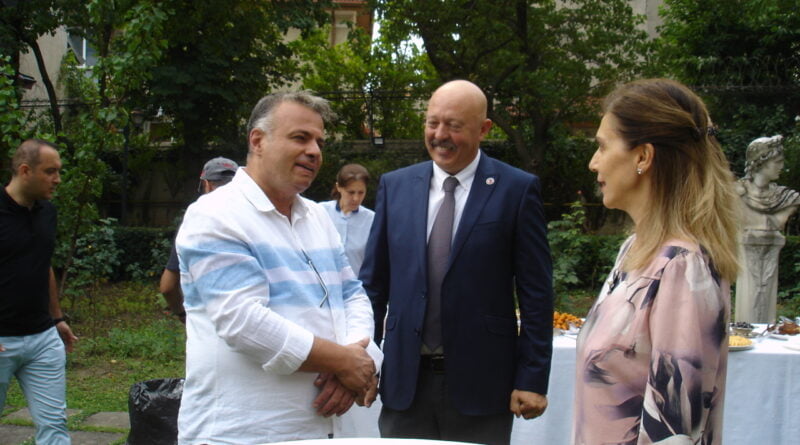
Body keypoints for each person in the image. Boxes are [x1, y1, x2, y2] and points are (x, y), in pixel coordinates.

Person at [175, 91, 382, 444]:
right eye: (300, 137)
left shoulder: (317, 217)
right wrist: (343, 363)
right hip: (246, 432)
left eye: (319, 142)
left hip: (330, 428)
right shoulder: (215, 214)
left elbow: (351, 294)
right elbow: (244, 321)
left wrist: (354, 358)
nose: (314, 151)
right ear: (258, 141)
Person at [360, 80, 553, 445]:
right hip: (405, 382)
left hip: (483, 384)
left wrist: (532, 377)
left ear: (484, 129)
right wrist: (366, 362)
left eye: (454, 125)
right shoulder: (395, 186)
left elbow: (536, 293)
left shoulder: (516, 190)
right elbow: (373, 285)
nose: (440, 135)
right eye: (432, 123)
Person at [575, 78, 739, 444]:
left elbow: (674, 430)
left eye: (602, 146)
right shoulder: (636, 249)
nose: (593, 162)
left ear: (643, 156)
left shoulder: (682, 267)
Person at [1, 139, 78, 445]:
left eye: (58, 171)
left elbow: (42, 264)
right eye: (50, 171)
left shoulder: (48, 212)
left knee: (55, 426)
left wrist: (57, 318)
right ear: (25, 171)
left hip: (42, 339)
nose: (57, 179)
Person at [159, 156, 238, 323]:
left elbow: (168, 287)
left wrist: (181, 313)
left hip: (207, 327)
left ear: (206, 184)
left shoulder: (196, 222)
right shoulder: (258, 220)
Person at [735, 135, 800, 323]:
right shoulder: (734, 194)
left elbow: (779, 221)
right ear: (760, 162)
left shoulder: (788, 198)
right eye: (777, 162)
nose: (782, 166)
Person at [320, 163, 375, 276]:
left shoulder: (372, 219)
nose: (356, 198)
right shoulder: (320, 212)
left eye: (361, 193)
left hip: (358, 283)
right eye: (351, 192)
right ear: (339, 187)